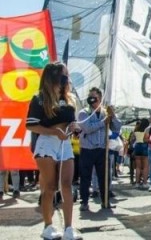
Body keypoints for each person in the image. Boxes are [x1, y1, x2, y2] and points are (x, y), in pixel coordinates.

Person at [25, 62, 81, 239]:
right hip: (46, 143)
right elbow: (31, 125)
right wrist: (53, 131)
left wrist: (74, 127)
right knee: (49, 187)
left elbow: (72, 121)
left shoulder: (69, 98)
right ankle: (48, 227)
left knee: (66, 184)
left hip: (65, 144)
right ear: (54, 76)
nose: (67, 78)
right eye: (64, 74)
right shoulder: (40, 98)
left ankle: (69, 228)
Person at [78, 87, 121, 211]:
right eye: (90, 96)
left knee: (104, 177)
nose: (92, 99)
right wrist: (103, 122)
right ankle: (84, 202)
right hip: (87, 149)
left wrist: (113, 116)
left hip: (102, 149)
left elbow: (117, 128)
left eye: (94, 97)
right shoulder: (84, 112)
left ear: (100, 98)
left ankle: (105, 200)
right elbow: (87, 128)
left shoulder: (105, 112)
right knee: (85, 177)